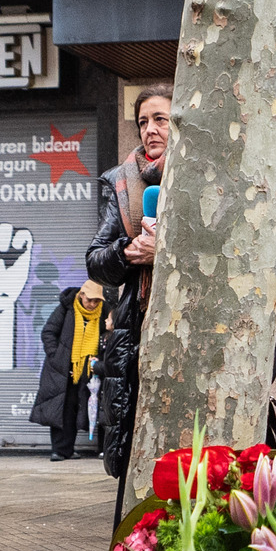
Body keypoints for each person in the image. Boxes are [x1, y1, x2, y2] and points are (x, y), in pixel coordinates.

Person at [87, 83, 171, 476]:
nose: (149, 129)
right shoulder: (122, 182)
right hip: (138, 329)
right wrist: (127, 252)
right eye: (143, 122)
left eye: (160, 119)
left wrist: (168, 255)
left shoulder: (209, 175)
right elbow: (96, 260)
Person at [30, 277, 107, 459]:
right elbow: (48, 332)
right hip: (63, 369)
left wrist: (101, 358)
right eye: (89, 300)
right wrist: (57, 356)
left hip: (90, 370)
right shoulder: (67, 308)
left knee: (81, 407)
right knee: (61, 407)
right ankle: (60, 450)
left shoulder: (104, 312)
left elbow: (107, 335)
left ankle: (74, 448)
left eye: (96, 301)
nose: (92, 304)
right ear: (81, 295)